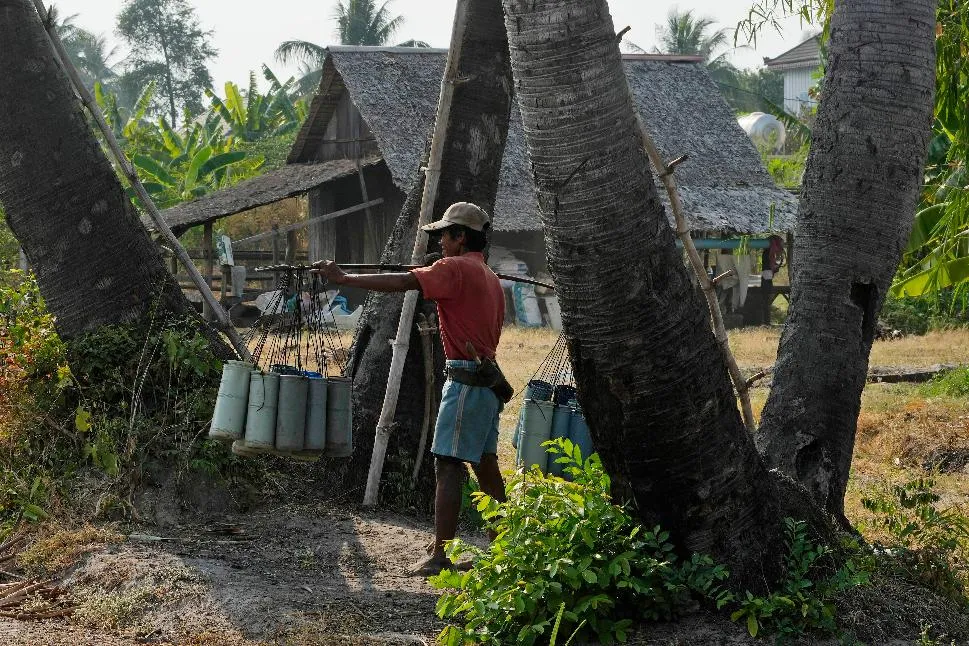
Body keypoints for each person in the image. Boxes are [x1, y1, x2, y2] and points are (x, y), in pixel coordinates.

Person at [314, 202, 508, 576]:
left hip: (466, 382)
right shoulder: (488, 275)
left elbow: (404, 282)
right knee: (485, 466)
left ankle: (440, 556)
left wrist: (344, 279)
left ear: (460, 236)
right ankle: (505, 549)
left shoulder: (455, 268)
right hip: (487, 384)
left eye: (444, 236)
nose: (440, 244)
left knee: (447, 464)